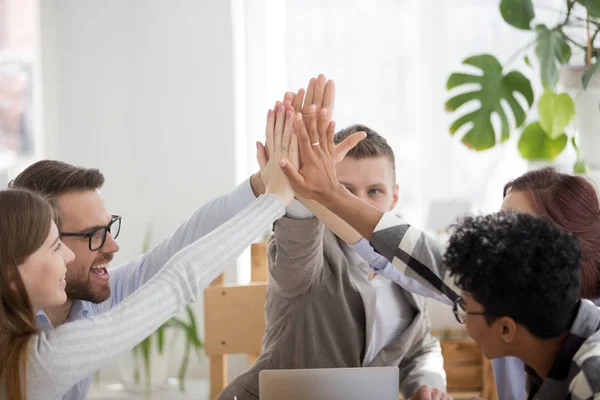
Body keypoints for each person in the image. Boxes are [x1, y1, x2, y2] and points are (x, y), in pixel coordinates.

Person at [7, 75, 360, 400]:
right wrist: (274, 200)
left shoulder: (86, 303)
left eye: (109, 228)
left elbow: (178, 250)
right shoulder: (29, 360)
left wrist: (263, 184)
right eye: (89, 237)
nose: (113, 247)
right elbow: (177, 281)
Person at [279, 111, 600, 398]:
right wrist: (322, 193)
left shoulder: (591, 373)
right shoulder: (504, 292)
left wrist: (328, 192)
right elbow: (409, 250)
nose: (490, 246)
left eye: (511, 233)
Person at [219, 120, 446, 400]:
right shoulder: (307, 241)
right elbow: (293, 267)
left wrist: (428, 385)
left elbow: (420, 347)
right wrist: (298, 195)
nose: (358, 203)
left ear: (394, 197)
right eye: (344, 190)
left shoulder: (405, 256)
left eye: (374, 191)